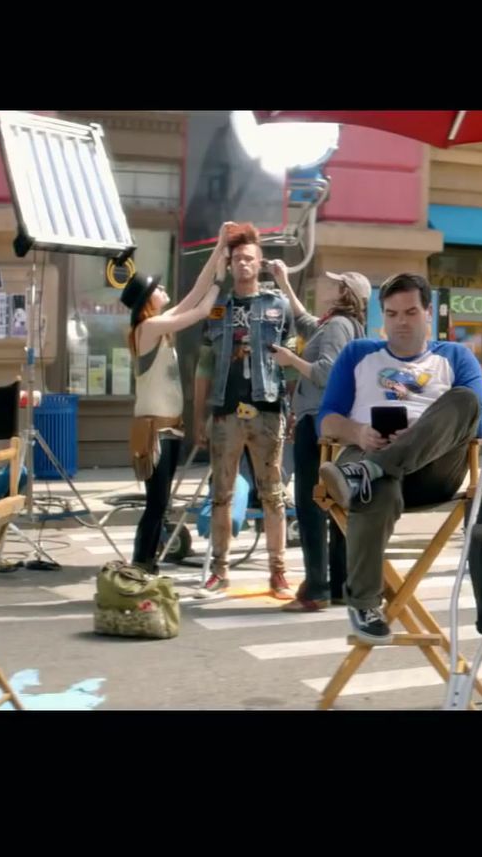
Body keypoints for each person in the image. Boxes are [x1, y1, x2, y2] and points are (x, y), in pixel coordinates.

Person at [316, 273, 482, 643]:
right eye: (392, 314)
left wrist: (418, 433)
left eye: (411, 312)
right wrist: (358, 433)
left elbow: (480, 422)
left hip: (434, 466)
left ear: (429, 313)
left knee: (466, 400)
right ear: (383, 317)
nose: (402, 322)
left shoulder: (455, 356)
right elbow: (327, 418)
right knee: (376, 484)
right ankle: (364, 604)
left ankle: (370, 470)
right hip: (367, 451)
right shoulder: (358, 354)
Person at [193, 222, 298, 599]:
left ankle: (279, 572)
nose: (243, 265)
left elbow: (289, 361)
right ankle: (219, 572)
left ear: (260, 262)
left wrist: (293, 411)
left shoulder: (277, 305)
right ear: (230, 262)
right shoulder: (217, 306)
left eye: (249, 259)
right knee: (221, 493)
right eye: (237, 258)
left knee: (273, 494)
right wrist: (198, 417)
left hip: (268, 409)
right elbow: (204, 364)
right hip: (223, 412)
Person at [121, 224, 229, 574]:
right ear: (146, 302)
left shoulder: (159, 326)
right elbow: (198, 311)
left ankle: (146, 562)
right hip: (154, 432)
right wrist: (219, 282)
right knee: (156, 503)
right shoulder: (148, 329)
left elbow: (193, 293)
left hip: (167, 430)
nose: (163, 289)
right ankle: (141, 563)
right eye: (157, 289)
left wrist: (219, 248)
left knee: (160, 503)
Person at [266, 261, 371, 612]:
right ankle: (339, 584)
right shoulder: (340, 325)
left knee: (312, 505)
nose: (329, 287)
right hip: (327, 424)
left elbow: (325, 373)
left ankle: (316, 589)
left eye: (337, 284)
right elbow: (307, 323)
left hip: (316, 423)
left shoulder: (339, 325)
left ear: (347, 294)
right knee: (335, 504)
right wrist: (284, 283)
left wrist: (290, 360)